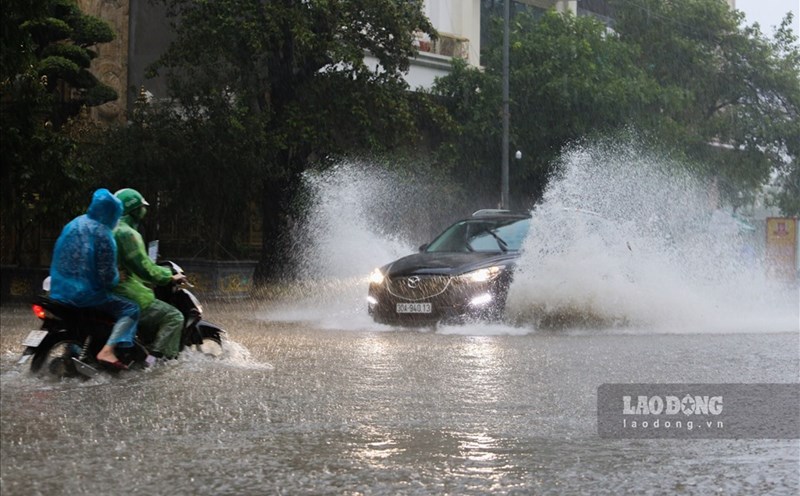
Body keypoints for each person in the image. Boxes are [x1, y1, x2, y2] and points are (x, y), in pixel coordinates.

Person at [49, 188, 138, 370]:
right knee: (131, 309)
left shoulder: (74, 224)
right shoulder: (103, 234)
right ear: (112, 214)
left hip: (58, 291)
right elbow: (107, 277)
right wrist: (116, 278)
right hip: (85, 296)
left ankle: (75, 349)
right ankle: (108, 350)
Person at [113, 188, 186, 359]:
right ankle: (156, 361)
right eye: (142, 207)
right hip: (123, 292)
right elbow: (144, 268)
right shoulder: (127, 233)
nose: (144, 211)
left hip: (103, 289)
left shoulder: (107, 227)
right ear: (135, 210)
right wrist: (169, 276)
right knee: (174, 317)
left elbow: (128, 266)